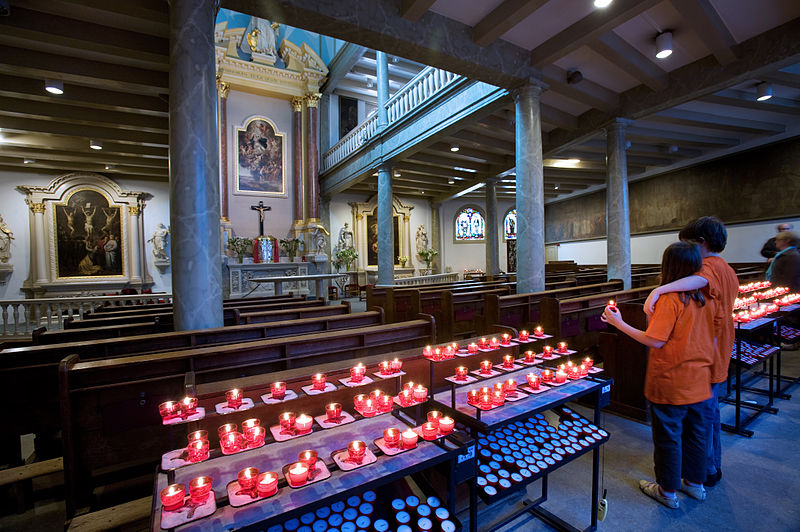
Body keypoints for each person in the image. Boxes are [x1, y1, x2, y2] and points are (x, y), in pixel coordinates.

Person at [603, 241, 715, 509]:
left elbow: (655, 340)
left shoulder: (670, 299)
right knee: (697, 434)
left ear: (667, 266)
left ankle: (666, 491)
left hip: (672, 379)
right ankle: (695, 485)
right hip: (700, 378)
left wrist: (619, 324)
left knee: (669, 436)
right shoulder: (706, 297)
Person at [644, 216, 737, 488]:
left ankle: (705, 471)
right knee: (705, 418)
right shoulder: (727, 268)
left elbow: (698, 283)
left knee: (703, 421)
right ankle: (701, 472)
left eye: (688, 242)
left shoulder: (707, 268)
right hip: (714, 351)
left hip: (704, 355)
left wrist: (659, 290)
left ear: (701, 242)